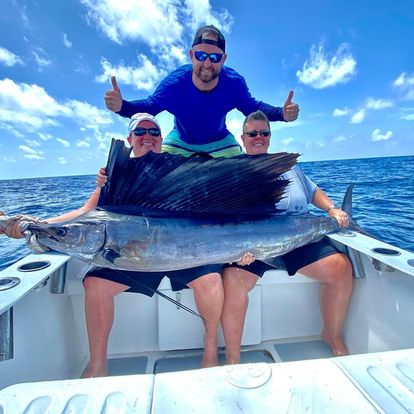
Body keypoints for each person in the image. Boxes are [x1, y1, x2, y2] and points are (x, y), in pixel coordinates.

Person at [4, 113, 224, 376]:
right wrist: (37, 223)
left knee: (210, 281)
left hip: (185, 251)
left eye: (154, 132)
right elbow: (85, 212)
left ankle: (210, 348)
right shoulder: (112, 179)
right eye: (140, 132)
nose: (147, 137)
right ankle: (98, 365)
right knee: (94, 284)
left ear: (161, 140)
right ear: (130, 139)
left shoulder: (177, 171)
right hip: (130, 255)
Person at [221, 110, 353, 364]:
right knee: (232, 279)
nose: (258, 137)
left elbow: (312, 191)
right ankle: (233, 358)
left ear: (270, 136)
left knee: (340, 268)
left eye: (264, 133)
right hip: (251, 246)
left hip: (298, 238)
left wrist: (332, 209)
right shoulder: (234, 171)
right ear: (243, 138)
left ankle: (332, 336)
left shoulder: (288, 165)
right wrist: (237, 248)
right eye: (252, 134)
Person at [105, 25, 300, 158]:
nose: (207, 63)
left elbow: (253, 108)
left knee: (243, 177)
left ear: (223, 59)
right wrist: (121, 106)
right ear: (192, 55)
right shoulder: (175, 83)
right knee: (155, 173)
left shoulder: (234, 82)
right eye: (201, 55)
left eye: (214, 57)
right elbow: (149, 108)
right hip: (180, 141)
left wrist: (282, 114)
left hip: (220, 142)